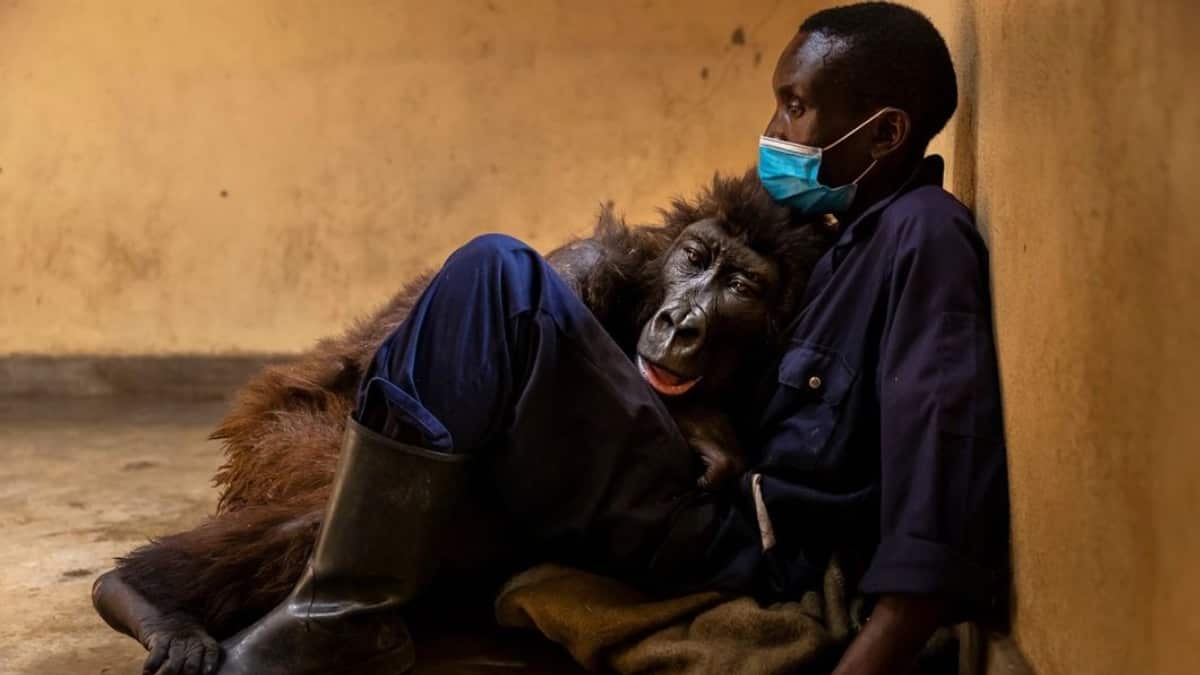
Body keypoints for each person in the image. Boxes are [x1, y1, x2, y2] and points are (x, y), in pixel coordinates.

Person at [193, 3, 1010, 674]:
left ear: (884, 133)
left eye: (795, 104)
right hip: (699, 487)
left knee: (498, 277)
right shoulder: (836, 232)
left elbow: (939, 452)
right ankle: (343, 600)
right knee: (507, 287)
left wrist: (879, 647)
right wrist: (698, 419)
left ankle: (342, 609)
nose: (775, 125)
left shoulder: (922, 238)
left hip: (731, 543)